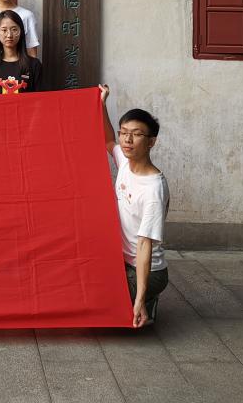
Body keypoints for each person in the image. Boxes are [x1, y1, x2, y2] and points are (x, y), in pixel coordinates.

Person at [99, 84, 169, 328]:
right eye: (124, 132)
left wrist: (139, 299)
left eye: (137, 134)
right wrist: (102, 104)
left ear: (151, 142)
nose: (127, 140)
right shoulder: (125, 162)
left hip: (149, 271)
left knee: (98, 301)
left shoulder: (153, 189)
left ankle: (146, 299)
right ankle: (138, 297)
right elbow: (108, 140)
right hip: (119, 260)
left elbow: (144, 245)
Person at [0, 10, 44, 95]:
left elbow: (41, 99)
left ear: (21, 32)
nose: (9, 35)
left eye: (14, 30)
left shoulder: (34, 65)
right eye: (4, 30)